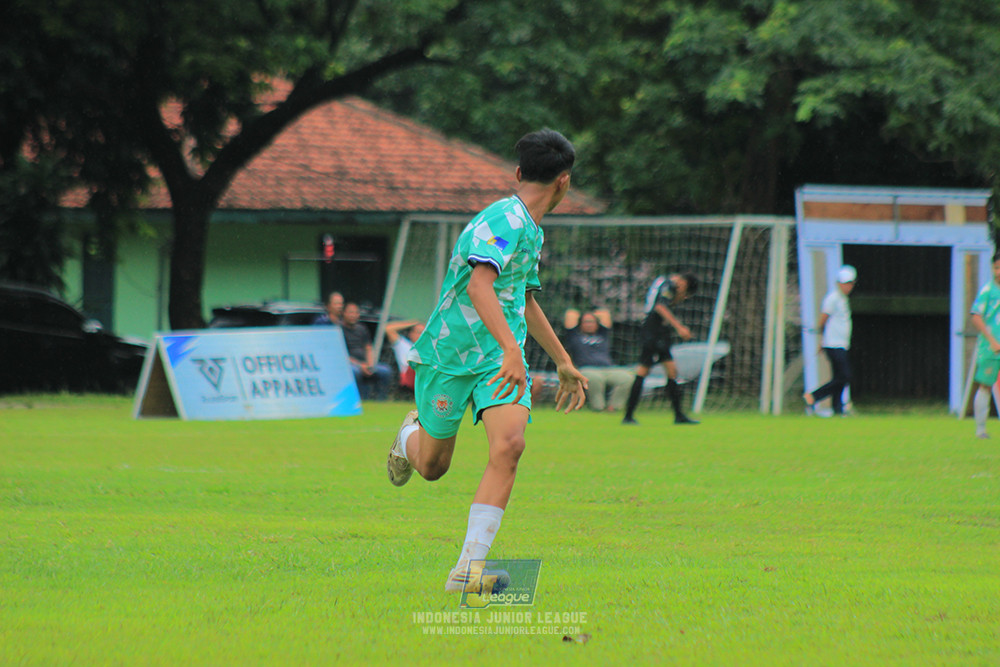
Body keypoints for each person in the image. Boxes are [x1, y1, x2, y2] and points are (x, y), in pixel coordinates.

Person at [385, 129, 588, 594]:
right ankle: (407, 434)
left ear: (520, 173)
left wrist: (561, 360)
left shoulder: (531, 229)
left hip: (498, 361)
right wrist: (515, 349)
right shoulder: (504, 219)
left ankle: (467, 570)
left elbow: (522, 300)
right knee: (433, 468)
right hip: (449, 357)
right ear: (565, 182)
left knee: (509, 446)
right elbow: (479, 287)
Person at [622, 272, 700, 425]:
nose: (683, 296)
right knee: (644, 370)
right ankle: (628, 416)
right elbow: (659, 307)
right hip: (652, 330)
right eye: (685, 293)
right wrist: (679, 327)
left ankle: (679, 415)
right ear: (684, 284)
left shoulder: (664, 283)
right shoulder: (668, 285)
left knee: (671, 371)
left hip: (658, 332)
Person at [803, 265, 856, 417]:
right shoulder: (832, 298)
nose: (848, 287)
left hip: (841, 344)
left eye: (850, 284)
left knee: (839, 377)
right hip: (833, 344)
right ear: (839, 283)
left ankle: (837, 409)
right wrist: (821, 340)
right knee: (845, 376)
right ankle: (813, 396)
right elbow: (823, 319)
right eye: (845, 283)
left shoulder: (843, 300)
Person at [563, 308, 634, 412]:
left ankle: (613, 407)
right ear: (580, 324)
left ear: (597, 324)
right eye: (586, 322)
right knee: (595, 379)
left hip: (608, 369)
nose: (589, 324)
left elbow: (604, 313)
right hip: (586, 369)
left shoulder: (603, 335)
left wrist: (592, 313)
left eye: (592, 322)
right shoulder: (575, 336)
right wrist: (583, 315)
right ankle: (598, 408)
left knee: (627, 378)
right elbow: (570, 314)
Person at [969, 254, 1000, 439]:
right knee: (985, 386)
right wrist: (991, 340)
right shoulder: (987, 291)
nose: (999, 272)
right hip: (991, 347)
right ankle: (980, 429)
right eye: (996, 268)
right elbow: (975, 316)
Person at [341, 301, 392, 400]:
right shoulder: (340, 330)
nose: (353, 315)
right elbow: (341, 354)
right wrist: (360, 366)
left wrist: (370, 365)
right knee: (355, 372)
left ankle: (381, 401)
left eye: (356, 313)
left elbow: (368, 348)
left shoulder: (362, 329)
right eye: (350, 312)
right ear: (344, 313)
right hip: (350, 365)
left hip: (365, 364)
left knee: (385, 370)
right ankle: (360, 399)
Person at [385, 319, 425, 392]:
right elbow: (389, 328)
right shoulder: (403, 344)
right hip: (409, 375)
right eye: (418, 332)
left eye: (423, 333)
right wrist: (412, 323)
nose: (421, 335)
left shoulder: (428, 348)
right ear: (411, 334)